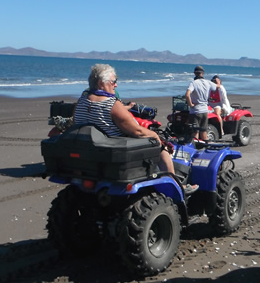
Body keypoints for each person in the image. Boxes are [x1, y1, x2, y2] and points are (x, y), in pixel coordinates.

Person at [74, 64, 198, 192]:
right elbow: (137, 131)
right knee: (160, 147)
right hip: (113, 149)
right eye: (113, 82)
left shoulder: (82, 100)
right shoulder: (111, 104)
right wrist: (155, 136)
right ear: (101, 83)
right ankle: (176, 185)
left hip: (90, 148)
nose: (116, 85)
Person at [184, 65, 217, 140]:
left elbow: (187, 95)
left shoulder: (193, 83)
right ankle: (205, 147)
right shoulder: (208, 82)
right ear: (202, 73)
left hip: (195, 111)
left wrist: (191, 104)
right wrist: (217, 82)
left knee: (195, 132)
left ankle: (194, 148)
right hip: (205, 110)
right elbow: (216, 87)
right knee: (204, 131)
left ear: (194, 73)